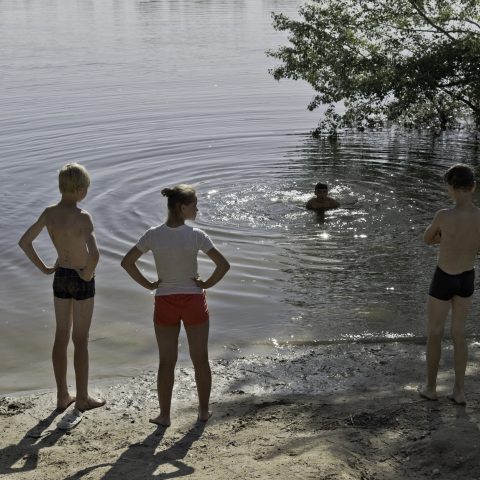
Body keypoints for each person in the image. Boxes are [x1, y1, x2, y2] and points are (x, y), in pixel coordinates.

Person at [121, 184, 230, 427]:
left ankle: (165, 416)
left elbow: (127, 263)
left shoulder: (152, 234)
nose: (197, 209)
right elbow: (223, 265)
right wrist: (207, 284)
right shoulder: (196, 235)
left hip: (165, 301)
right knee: (200, 359)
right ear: (182, 208)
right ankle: (203, 412)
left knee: (166, 362)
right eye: (194, 205)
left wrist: (149, 284)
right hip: (193, 300)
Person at [18, 163, 105, 429]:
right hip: (80, 277)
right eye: (86, 189)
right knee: (81, 340)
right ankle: (81, 399)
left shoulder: (49, 214)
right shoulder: (84, 217)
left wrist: (45, 268)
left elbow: (25, 242)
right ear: (79, 190)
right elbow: (95, 254)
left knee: (61, 335)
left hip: (60, 276)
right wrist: (88, 275)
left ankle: (61, 395)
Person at [419, 164, 480, 405]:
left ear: (450, 189)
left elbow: (426, 238)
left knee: (435, 332)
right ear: (473, 187)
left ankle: (431, 388)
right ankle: (459, 391)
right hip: (467, 277)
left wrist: (443, 239)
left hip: (444, 277)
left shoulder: (443, 215)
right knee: (459, 333)